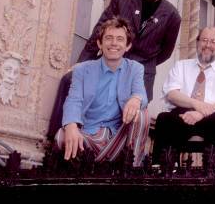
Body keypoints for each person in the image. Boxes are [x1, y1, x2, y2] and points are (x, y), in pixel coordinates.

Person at [48, 0, 181, 137]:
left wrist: (144, 63)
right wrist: (82, 63)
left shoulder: (172, 15)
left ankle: (121, 154)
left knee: (138, 111)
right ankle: (55, 138)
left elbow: (166, 52)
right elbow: (100, 31)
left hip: (142, 69)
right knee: (69, 80)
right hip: (109, 60)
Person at [55, 17, 149, 167]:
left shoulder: (135, 68)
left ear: (128, 46)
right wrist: (71, 126)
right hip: (90, 134)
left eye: (120, 39)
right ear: (100, 43)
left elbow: (141, 94)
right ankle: (102, 163)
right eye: (109, 38)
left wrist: (135, 99)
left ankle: (133, 167)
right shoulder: (82, 69)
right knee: (61, 136)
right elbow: (74, 100)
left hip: (120, 137)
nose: (114, 43)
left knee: (142, 114)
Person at [152, 26, 215, 167]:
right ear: (197, 43)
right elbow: (172, 94)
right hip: (183, 115)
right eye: (204, 40)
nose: (207, 45)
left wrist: (201, 113)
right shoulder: (181, 66)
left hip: (214, 117)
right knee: (164, 119)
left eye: (213, 41)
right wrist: (196, 105)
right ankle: (163, 172)